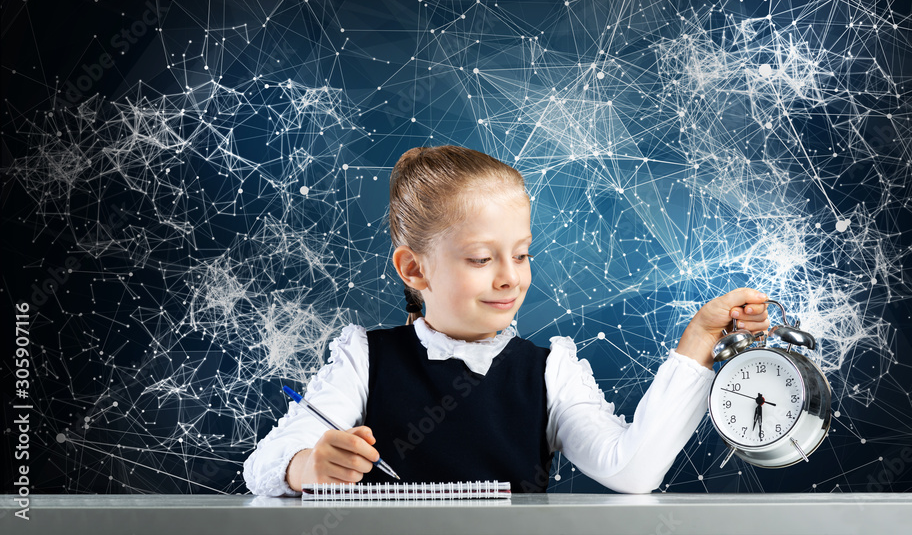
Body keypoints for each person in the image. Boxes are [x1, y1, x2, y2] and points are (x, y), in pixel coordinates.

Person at [243, 145, 769, 495]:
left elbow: (631, 469)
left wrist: (699, 340)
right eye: (480, 259)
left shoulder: (551, 371)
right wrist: (306, 465)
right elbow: (262, 465)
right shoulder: (364, 359)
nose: (509, 279)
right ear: (414, 268)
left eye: (521, 255)